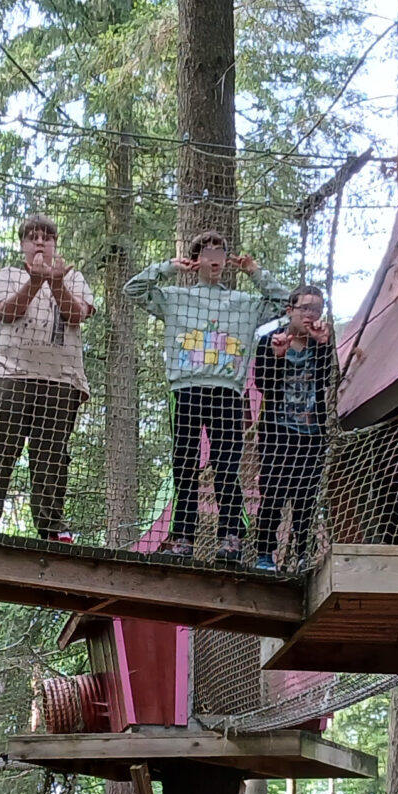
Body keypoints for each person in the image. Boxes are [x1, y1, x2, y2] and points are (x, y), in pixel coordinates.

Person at [125, 231, 292, 558]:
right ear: (196, 260)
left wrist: (254, 271)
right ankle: (183, 538)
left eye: (220, 252)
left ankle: (231, 536)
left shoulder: (244, 303)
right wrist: (169, 267)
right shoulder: (175, 298)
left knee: (227, 465)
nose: (214, 258)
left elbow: (286, 303)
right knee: (185, 465)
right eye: (207, 252)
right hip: (186, 389)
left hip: (228, 392)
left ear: (227, 261)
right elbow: (134, 289)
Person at [0, 214, 94, 540]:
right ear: (22, 244)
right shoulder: (8, 275)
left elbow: (77, 314)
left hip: (61, 380)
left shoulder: (74, 277)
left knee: (52, 456)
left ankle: (52, 526)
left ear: (55, 244)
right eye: (32, 237)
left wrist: (56, 282)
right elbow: (8, 311)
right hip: (8, 373)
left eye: (46, 237)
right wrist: (36, 281)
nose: (40, 242)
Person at [252, 285, 335, 569]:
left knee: (306, 497)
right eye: (305, 308)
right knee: (273, 493)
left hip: (311, 434)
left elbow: (325, 379)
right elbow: (263, 384)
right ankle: (265, 554)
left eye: (317, 309)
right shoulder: (270, 340)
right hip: (278, 431)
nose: (311, 314)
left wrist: (322, 345)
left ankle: (303, 554)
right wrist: (277, 356)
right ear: (290, 311)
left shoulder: (321, 342)